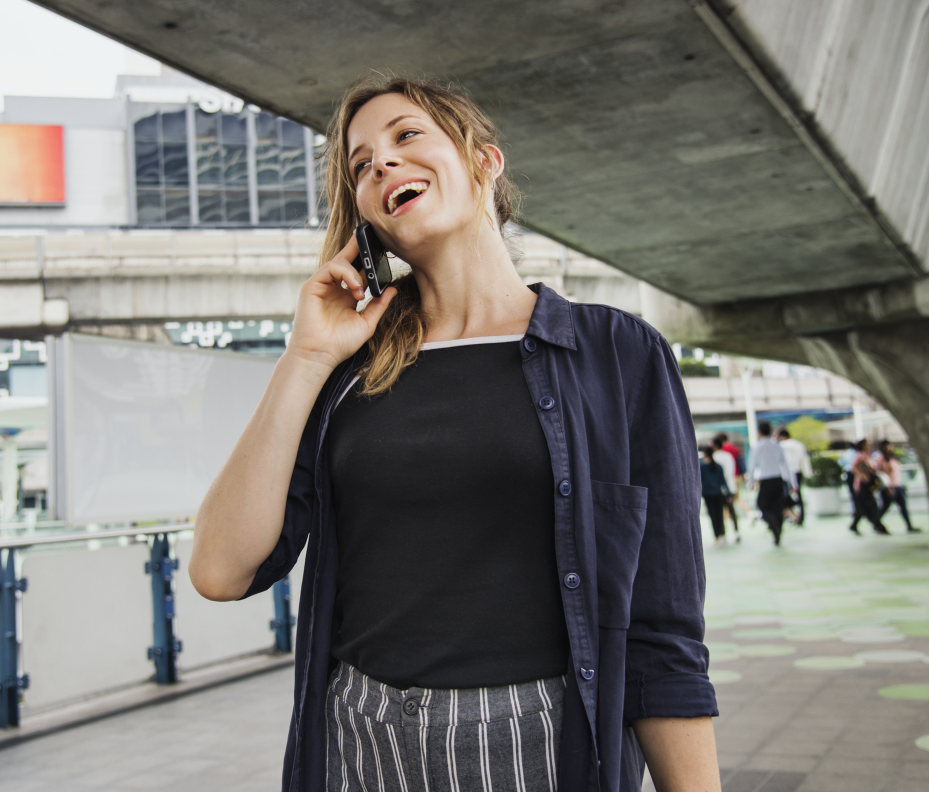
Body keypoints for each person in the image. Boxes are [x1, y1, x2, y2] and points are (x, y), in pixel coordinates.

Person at [189, 77, 719, 792]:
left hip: (532, 740)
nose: (381, 164)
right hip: (359, 738)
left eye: (407, 137)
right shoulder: (348, 371)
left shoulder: (615, 353)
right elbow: (221, 571)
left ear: (483, 162)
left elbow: (662, 624)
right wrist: (306, 357)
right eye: (361, 163)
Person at [748, 420, 795, 546]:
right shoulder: (777, 445)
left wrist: (750, 483)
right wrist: (792, 483)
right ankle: (778, 530)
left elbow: (752, 466)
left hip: (766, 481)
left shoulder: (757, 447)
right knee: (777, 507)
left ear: (759, 433)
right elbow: (786, 465)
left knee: (762, 505)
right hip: (778, 480)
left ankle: (775, 527)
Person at [876, 440, 920, 533]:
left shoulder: (892, 457)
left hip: (898, 486)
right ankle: (876, 523)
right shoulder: (881, 459)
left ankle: (909, 526)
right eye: (886, 446)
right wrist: (888, 487)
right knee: (885, 507)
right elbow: (882, 474)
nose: (889, 448)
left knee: (903, 507)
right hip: (889, 487)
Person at [849, 439, 890, 535]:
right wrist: (861, 475)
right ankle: (878, 525)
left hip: (869, 486)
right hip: (862, 485)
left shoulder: (870, 456)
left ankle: (854, 525)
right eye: (867, 444)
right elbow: (853, 468)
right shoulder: (860, 455)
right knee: (870, 505)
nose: (870, 445)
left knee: (862, 507)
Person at [778, 428, 812, 525]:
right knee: (798, 494)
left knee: (785, 496)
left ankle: (791, 516)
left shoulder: (781, 445)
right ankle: (800, 516)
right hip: (798, 471)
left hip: (785, 474)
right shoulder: (798, 444)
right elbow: (804, 458)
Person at [701, 445, 732, 547]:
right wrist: (728, 493)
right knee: (719, 514)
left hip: (708, 494)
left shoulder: (702, 466)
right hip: (718, 494)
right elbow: (723, 481)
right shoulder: (718, 466)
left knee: (713, 515)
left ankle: (717, 535)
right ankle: (722, 533)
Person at [712, 436, 741, 541]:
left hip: (720, 489)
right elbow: (732, 471)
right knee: (731, 510)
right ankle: (736, 531)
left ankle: (723, 533)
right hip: (730, 486)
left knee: (720, 512)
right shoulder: (728, 456)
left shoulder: (714, 457)